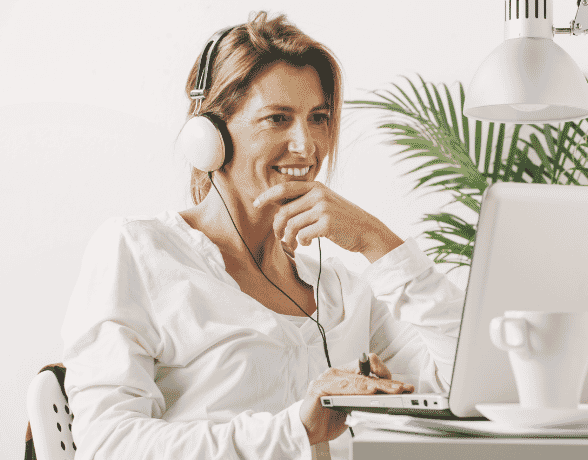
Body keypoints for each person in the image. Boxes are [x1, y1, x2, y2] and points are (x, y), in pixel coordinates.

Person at [61, 11, 463, 460]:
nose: (306, 145)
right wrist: (293, 430)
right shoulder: (140, 253)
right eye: (277, 118)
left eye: (318, 117)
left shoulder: (341, 292)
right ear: (210, 135)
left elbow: (467, 388)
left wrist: (377, 242)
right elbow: (107, 445)